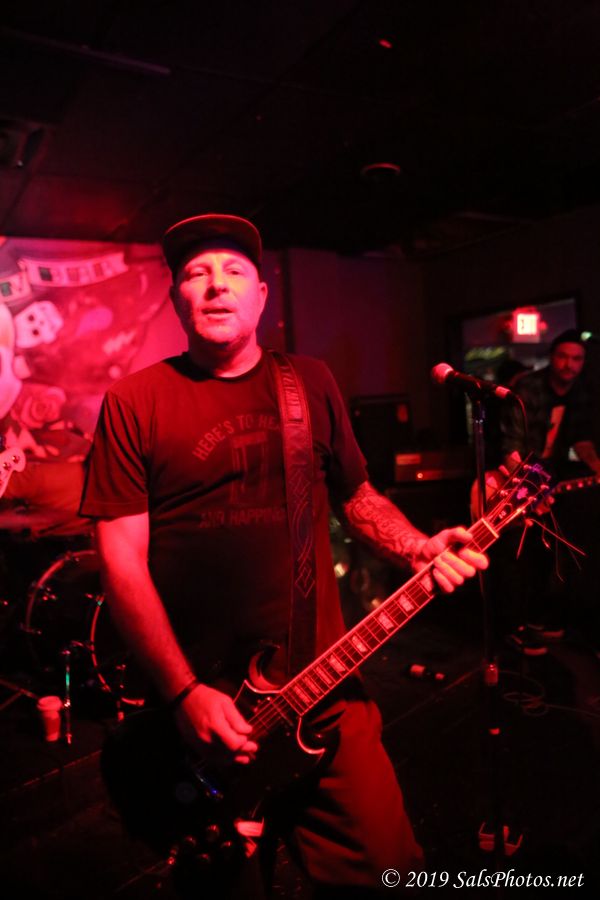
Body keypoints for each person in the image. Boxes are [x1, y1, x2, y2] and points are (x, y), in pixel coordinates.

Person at [80, 213, 488, 898]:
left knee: (387, 872)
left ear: (262, 296)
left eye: (234, 271)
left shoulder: (310, 381)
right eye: (196, 274)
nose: (216, 285)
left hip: (324, 692)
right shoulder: (134, 402)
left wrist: (419, 547)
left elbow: (356, 497)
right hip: (202, 714)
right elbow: (121, 563)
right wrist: (182, 694)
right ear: (177, 298)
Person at [499, 329, 600, 655]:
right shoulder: (527, 389)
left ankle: (539, 619)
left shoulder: (580, 392)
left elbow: (581, 440)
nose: (569, 365)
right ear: (551, 357)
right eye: (563, 357)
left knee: (550, 548)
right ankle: (513, 628)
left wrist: (597, 466)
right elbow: (510, 449)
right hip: (513, 475)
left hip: (549, 476)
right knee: (516, 550)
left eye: (577, 359)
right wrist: (528, 484)